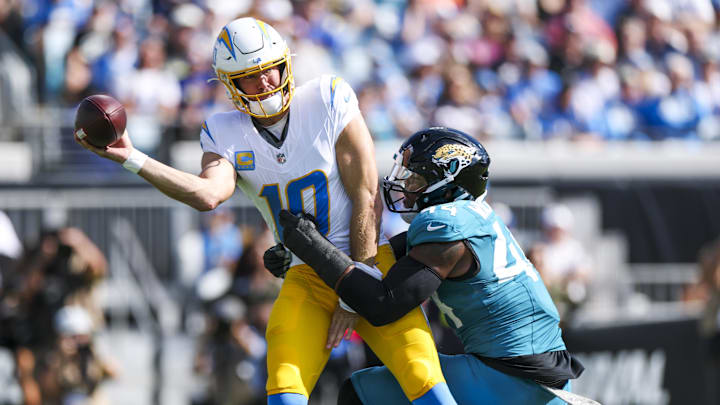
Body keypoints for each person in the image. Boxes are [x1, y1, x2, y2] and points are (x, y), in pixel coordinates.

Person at [74, 17, 454, 405]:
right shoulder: (224, 130)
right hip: (306, 277)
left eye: (269, 69)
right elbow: (207, 194)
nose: (265, 81)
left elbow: (366, 195)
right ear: (230, 84)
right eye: (249, 77)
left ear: (285, 63)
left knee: (424, 380)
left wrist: (354, 291)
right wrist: (133, 158)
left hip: (370, 266)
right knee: (284, 391)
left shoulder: (327, 97)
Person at [279, 127, 587, 404]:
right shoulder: (472, 220)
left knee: (360, 392)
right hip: (541, 381)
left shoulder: (445, 228)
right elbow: (378, 257)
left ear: (447, 183)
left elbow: (383, 304)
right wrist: (299, 260)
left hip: (511, 379)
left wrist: (313, 248)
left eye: (416, 178)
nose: (405, 185)